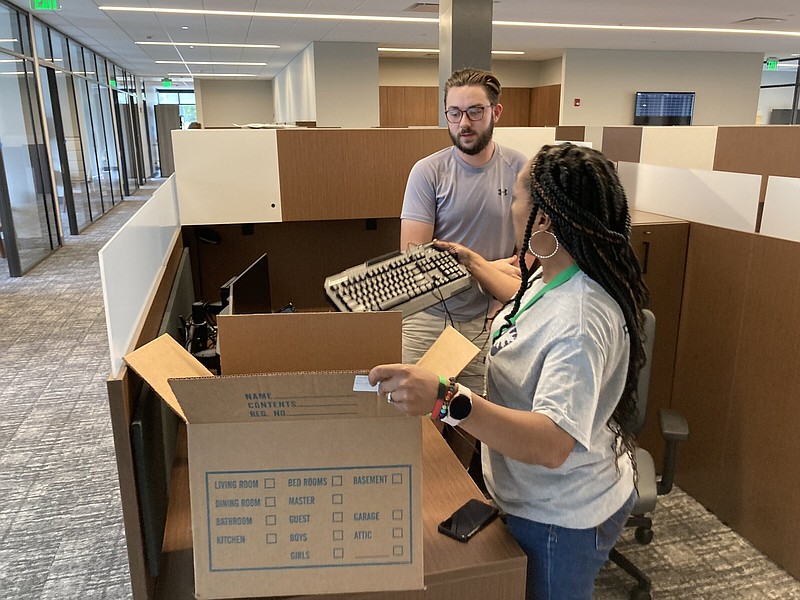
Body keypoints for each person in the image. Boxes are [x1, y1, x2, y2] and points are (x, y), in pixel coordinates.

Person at [370, 143, 650, 600]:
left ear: (542, 218)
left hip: (561, 514)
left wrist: (445, 398)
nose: (510, 207)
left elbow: (551, 443)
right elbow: (525, 295)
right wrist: (475, 263)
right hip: (532, 494)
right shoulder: (558, 272)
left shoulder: (578, 320)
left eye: (515, 198)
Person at [400, 68, 528, 396]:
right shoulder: (427, 172)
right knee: (419, 421)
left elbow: (530, 255)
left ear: (495, 112)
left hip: (490, 317)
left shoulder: (519, 169)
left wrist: (507, 296)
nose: (464, 123)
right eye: (454, 113)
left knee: (479, 418)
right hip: (428, 317)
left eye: (475, 111)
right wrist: (493, 269)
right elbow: (414, 260)